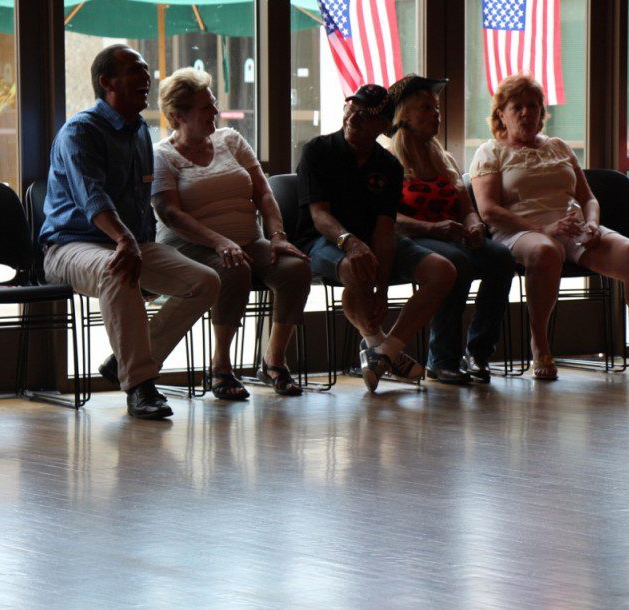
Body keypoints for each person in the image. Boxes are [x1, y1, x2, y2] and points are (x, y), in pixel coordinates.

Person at [470, 74, 629, 382]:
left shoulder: (558, 147)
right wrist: (543, 228)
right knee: (546, 251)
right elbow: (488, 210)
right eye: (517, 107)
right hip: (521, 230)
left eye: (533, 106)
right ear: (501, 114)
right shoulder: (490, 152)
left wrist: (592, 224)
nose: (526, 113)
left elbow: (588, 198)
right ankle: (540, 345)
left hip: (571, 226)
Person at [40, 44, 221, 419]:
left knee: (205, 281)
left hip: (129, 243)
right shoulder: (81, 130)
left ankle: (125, 361)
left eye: (146, 69)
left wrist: (141, 249)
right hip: (69, 246)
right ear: (106, 82)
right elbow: (93, 198)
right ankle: (140, 385)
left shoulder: (139, 130)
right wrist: (126, 242)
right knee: (117, 271)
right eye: (135, 70)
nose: (147, 77)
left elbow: (141, 199)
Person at [152, 68, 312, 398]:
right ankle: (221, 368)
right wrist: (220, 242)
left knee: (295, 269)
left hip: (248, 240)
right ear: (178, 115)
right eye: (205, 107)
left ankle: (273, 362)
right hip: (189, 246)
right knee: (234, 268)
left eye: (213, 103)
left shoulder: (230, 140)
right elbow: (170, 213)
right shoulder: (162, 155)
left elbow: (263, 192)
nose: (215, 111)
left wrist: (278, 236)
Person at [295, 84, 457, 391]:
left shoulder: (389, 166)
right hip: (323, 240)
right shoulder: (318, 150)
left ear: (384, 125)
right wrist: (351, 243)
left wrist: (381, 289)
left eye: (365, 113)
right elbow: (319, 216)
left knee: (443, 270)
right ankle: (379, 345)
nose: (353, 116)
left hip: (371, 242)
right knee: (355, 266)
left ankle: (385, 353)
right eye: (352, 107)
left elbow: (384, 230)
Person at [386, 74, 515, 383]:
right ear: (404, 115)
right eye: (426, 108)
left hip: (450, 235)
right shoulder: (388, 160)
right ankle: (442, 359)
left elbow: (467, 209)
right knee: (456, 262)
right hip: (411, 239)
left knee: (501, 258)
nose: (436, 114)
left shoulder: (443, 158)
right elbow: (388, 218)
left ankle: (478, 353)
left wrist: (474, 226)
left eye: (437, 108)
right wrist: (433, 228)